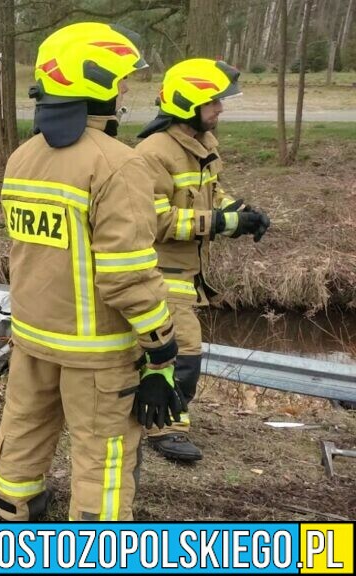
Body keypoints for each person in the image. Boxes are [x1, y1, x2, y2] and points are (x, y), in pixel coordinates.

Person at [0, 22, 181, 522]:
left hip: (32, 337)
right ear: (95, 83)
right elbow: (127, 274)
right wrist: (161, 346)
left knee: (24, 433)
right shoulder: (119, 164)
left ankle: (14, 517)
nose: (125, 90)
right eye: (121, 80)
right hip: (97, 352)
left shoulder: (21, 158)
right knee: (103, 460)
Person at [136, 59, 271, 462]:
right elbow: (157, 220)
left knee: (170, 350)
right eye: (213, 102)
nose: (221, 109)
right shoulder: (153, 154)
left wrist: (242, 214)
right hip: (160, 271)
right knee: (183, 350)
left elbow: (212, 193)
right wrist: (222, 221)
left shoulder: (202, 145)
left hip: (189, 273)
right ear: (187, 104)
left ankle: (149, 415)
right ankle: (165, 430)